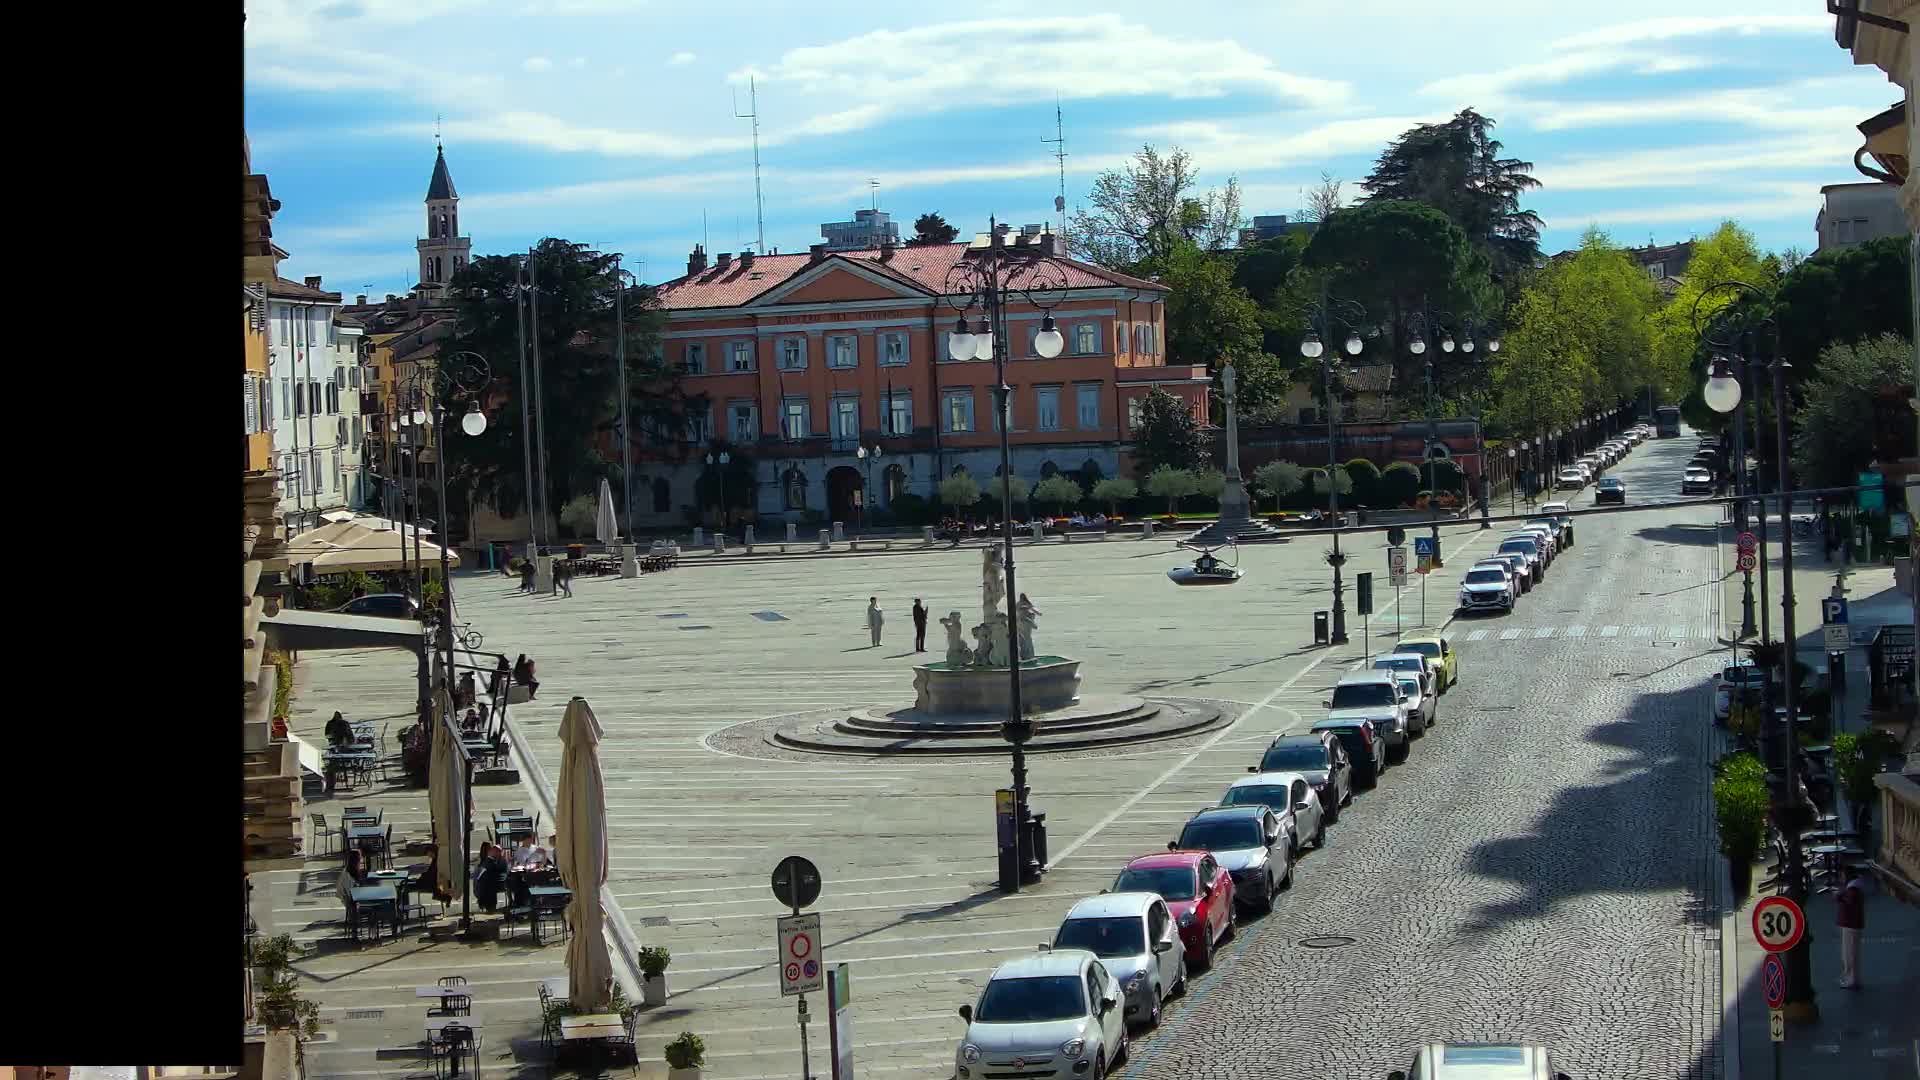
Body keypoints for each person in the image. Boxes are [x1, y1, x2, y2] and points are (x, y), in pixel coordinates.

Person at [1837, 868, 1868, 988]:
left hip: (1851, 925)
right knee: (1850, 953)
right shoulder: (1854, 888)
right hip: (1852, 924)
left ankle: (1851, 980)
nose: (1841, 878)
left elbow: (1847, 901)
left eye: (1842, 875)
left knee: (1849, 954)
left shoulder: (1852, 890)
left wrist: (1839, 896)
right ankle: (1852, 978)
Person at [472, 841, 508, 913]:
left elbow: (500, 869)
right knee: (488, 882)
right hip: (491, 884)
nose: (494, 851)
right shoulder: (488, 861)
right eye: (492, 849)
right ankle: (488, 905)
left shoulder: (490, 861)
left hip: (494, 883)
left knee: (488, 882)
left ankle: (486, 904)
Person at [337, 848, 368, 922]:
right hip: (351, 900)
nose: (361, 860)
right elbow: (352, 893)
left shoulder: (348, 870)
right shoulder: (349, 874)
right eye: (360, 858)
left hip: (350, 898)